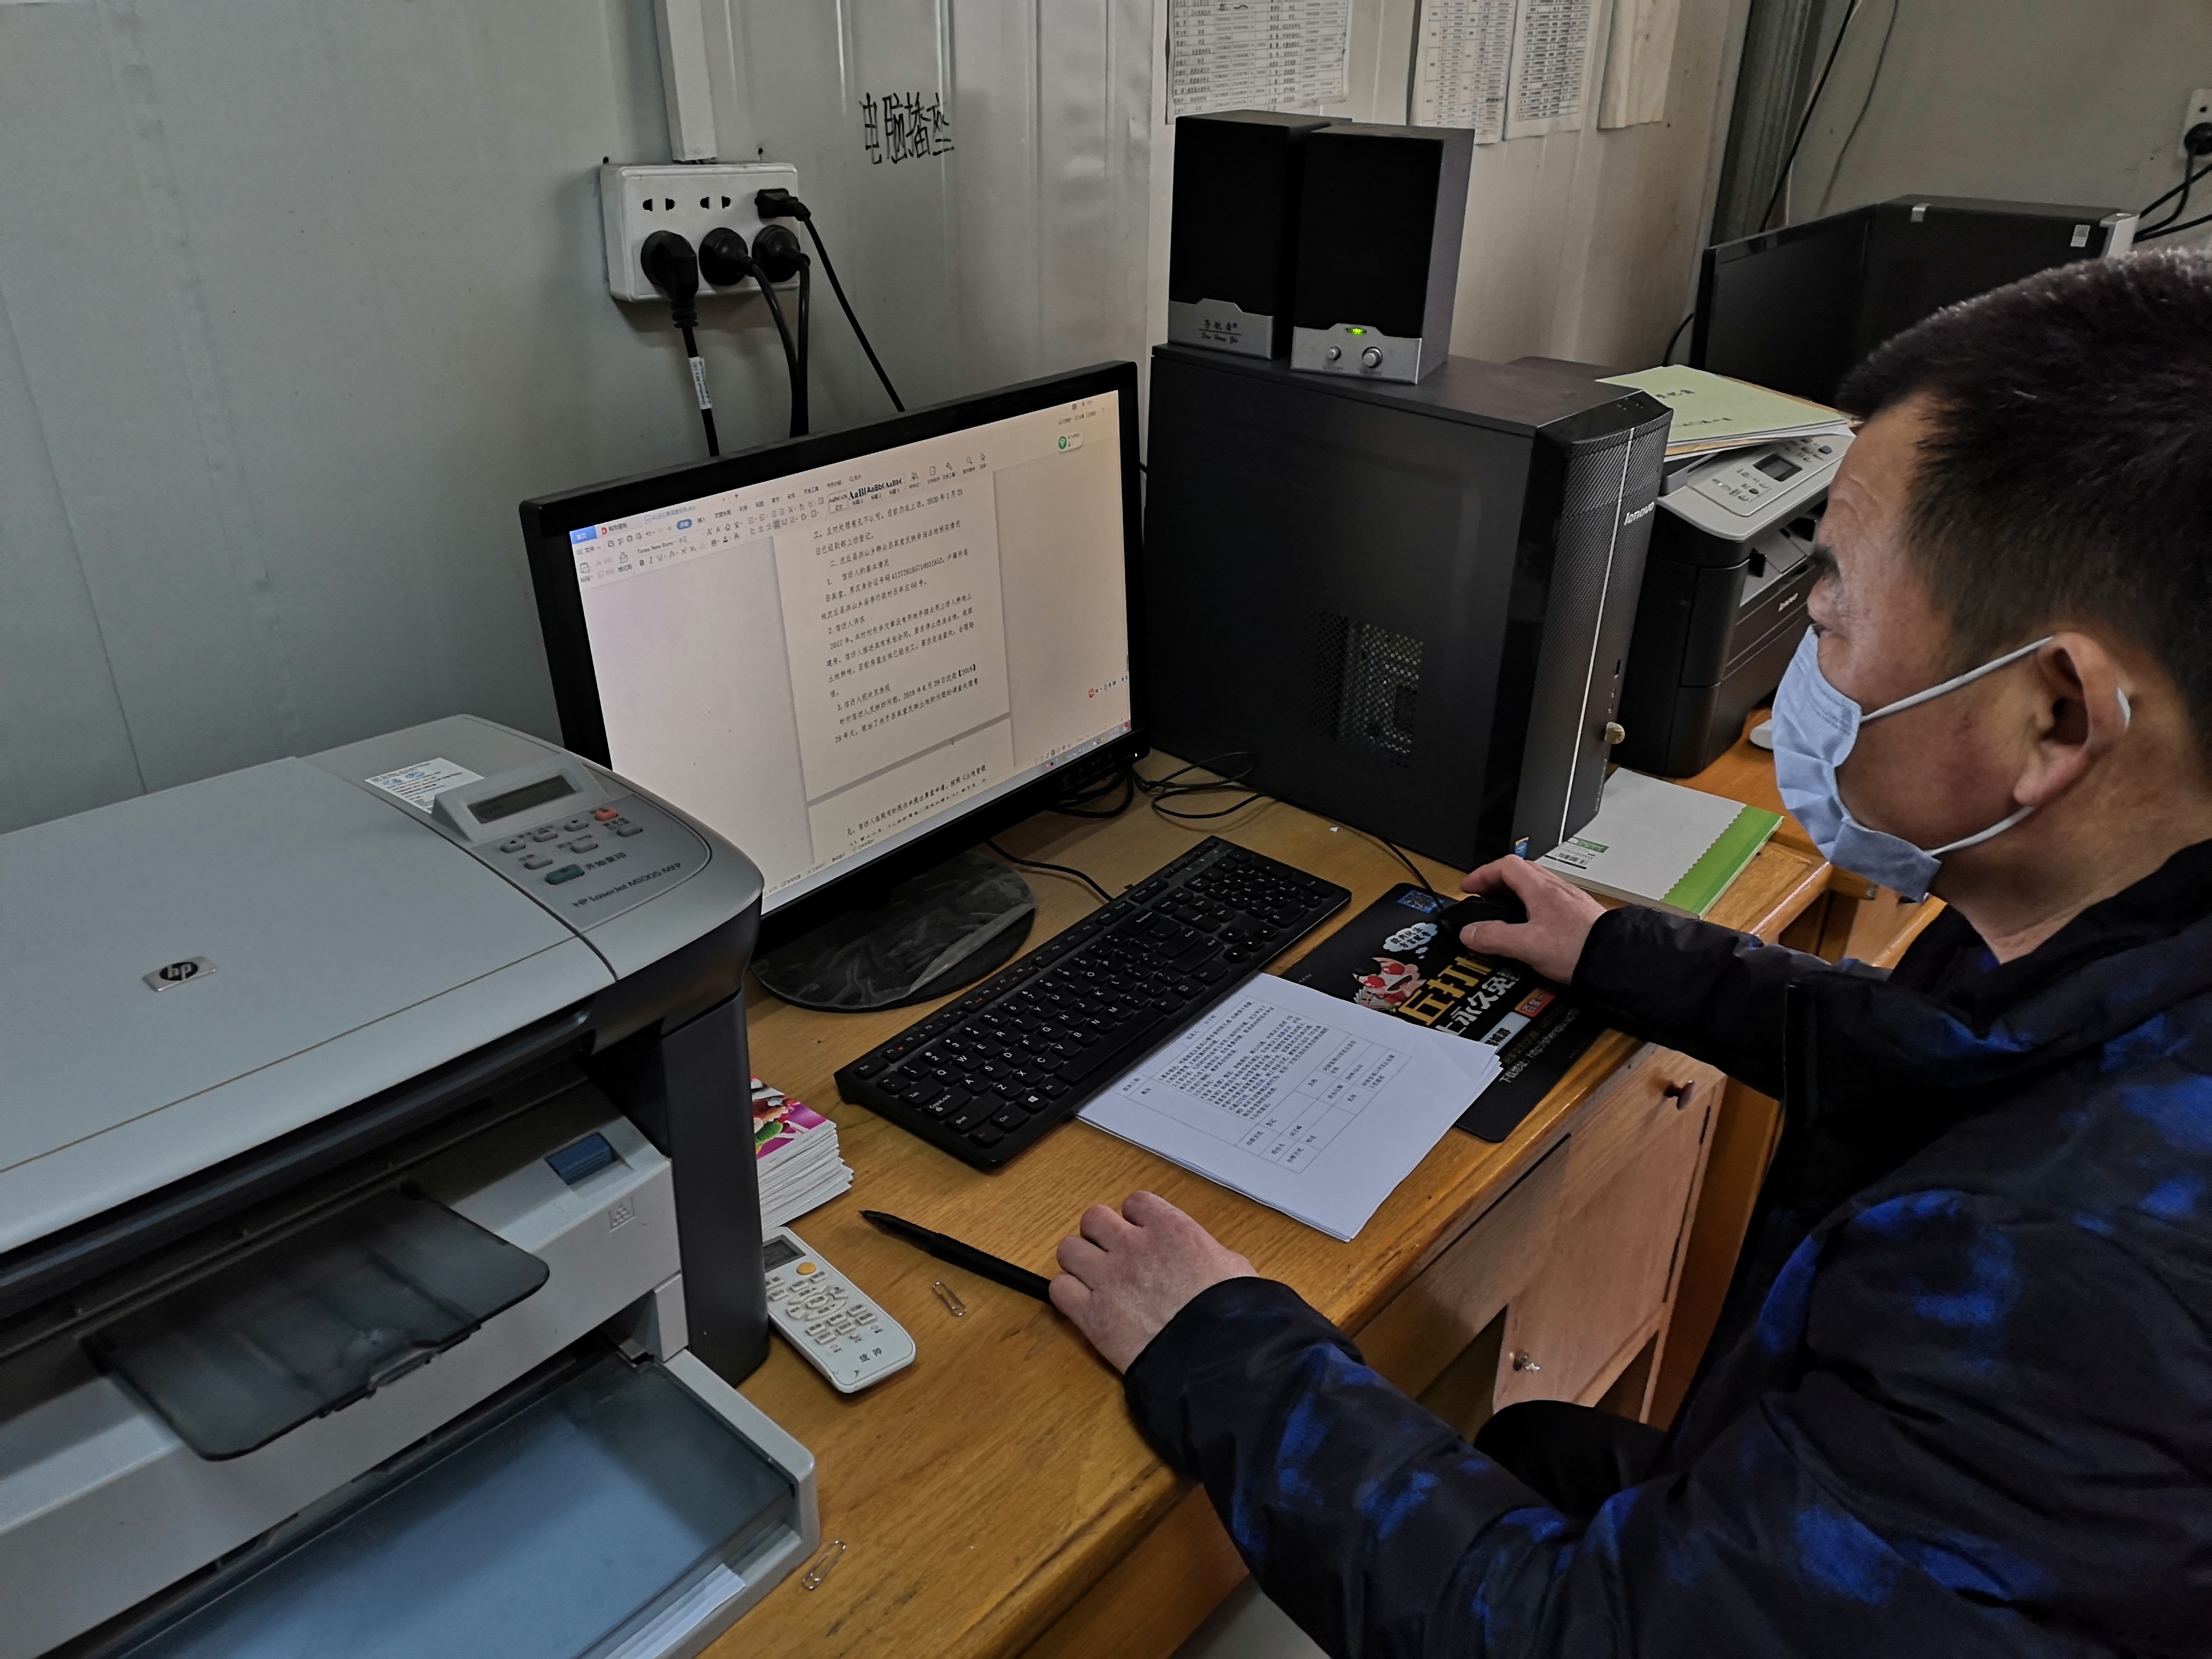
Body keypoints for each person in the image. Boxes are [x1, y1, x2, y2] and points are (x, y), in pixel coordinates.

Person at [1049, 248, 2212, 1655]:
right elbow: (1945, 1059)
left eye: (1831, 615)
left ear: (2054, 717)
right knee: (1534, 1445)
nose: (1804, 672)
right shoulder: (2125, 947)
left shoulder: (2065, 1296)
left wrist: (1223, 1346)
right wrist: (1623, 953)